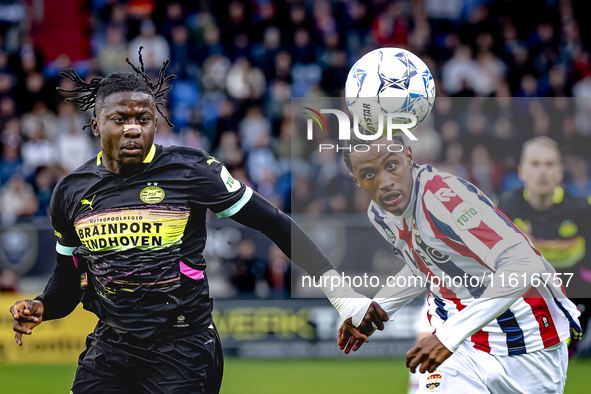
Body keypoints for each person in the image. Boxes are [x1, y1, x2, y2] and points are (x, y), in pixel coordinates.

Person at [9, 48, 387, 394]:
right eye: (119, 118)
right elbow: (68, 279)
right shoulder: (70, 191)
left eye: (144, 118)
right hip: (111, 348)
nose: (133, 128)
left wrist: (343, 297)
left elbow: (274, 222)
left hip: (182, 348)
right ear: (96, 126)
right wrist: (43, 305)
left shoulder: (190, 169)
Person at [338, 134, 582, 393]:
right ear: (356, 181)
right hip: (462, 343)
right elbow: (426, 266)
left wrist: (447, 337)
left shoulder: (444, 197)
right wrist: (379, 305)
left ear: (408, 157)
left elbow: (524, 265)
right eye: (368, 174)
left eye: (391, 166)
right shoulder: (379, 213)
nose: (385, 182)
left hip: (528, 340)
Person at [498, 136, 591, 355]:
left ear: (559, 172)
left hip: (573, 296)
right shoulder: (506, 207)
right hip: (526, 295)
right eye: (535, 164)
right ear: (522, 170)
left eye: (549, 165)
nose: (542, 172)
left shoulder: (581, 209)